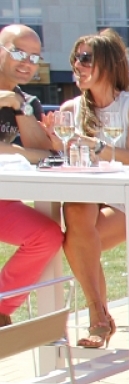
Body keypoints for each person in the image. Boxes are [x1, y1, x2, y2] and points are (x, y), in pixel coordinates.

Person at [53, 29, 129, 348]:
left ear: (109, 63)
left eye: (85, 58)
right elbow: (62, 158)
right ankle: (99, 315)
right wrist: (55, 144)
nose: (77, 65)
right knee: (76, 211)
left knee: (77, 239)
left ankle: (99, 316)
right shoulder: (71, 109)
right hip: (87, 199)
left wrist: (94, 146)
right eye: (75, 59)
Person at [0, 23, 61, 327]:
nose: (27, 63)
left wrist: (20, 109)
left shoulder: (26, 102)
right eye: (19, 52)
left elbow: (45, 156)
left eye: (34, 57)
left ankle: (2, 307)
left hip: (4, 198)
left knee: (47, 235)